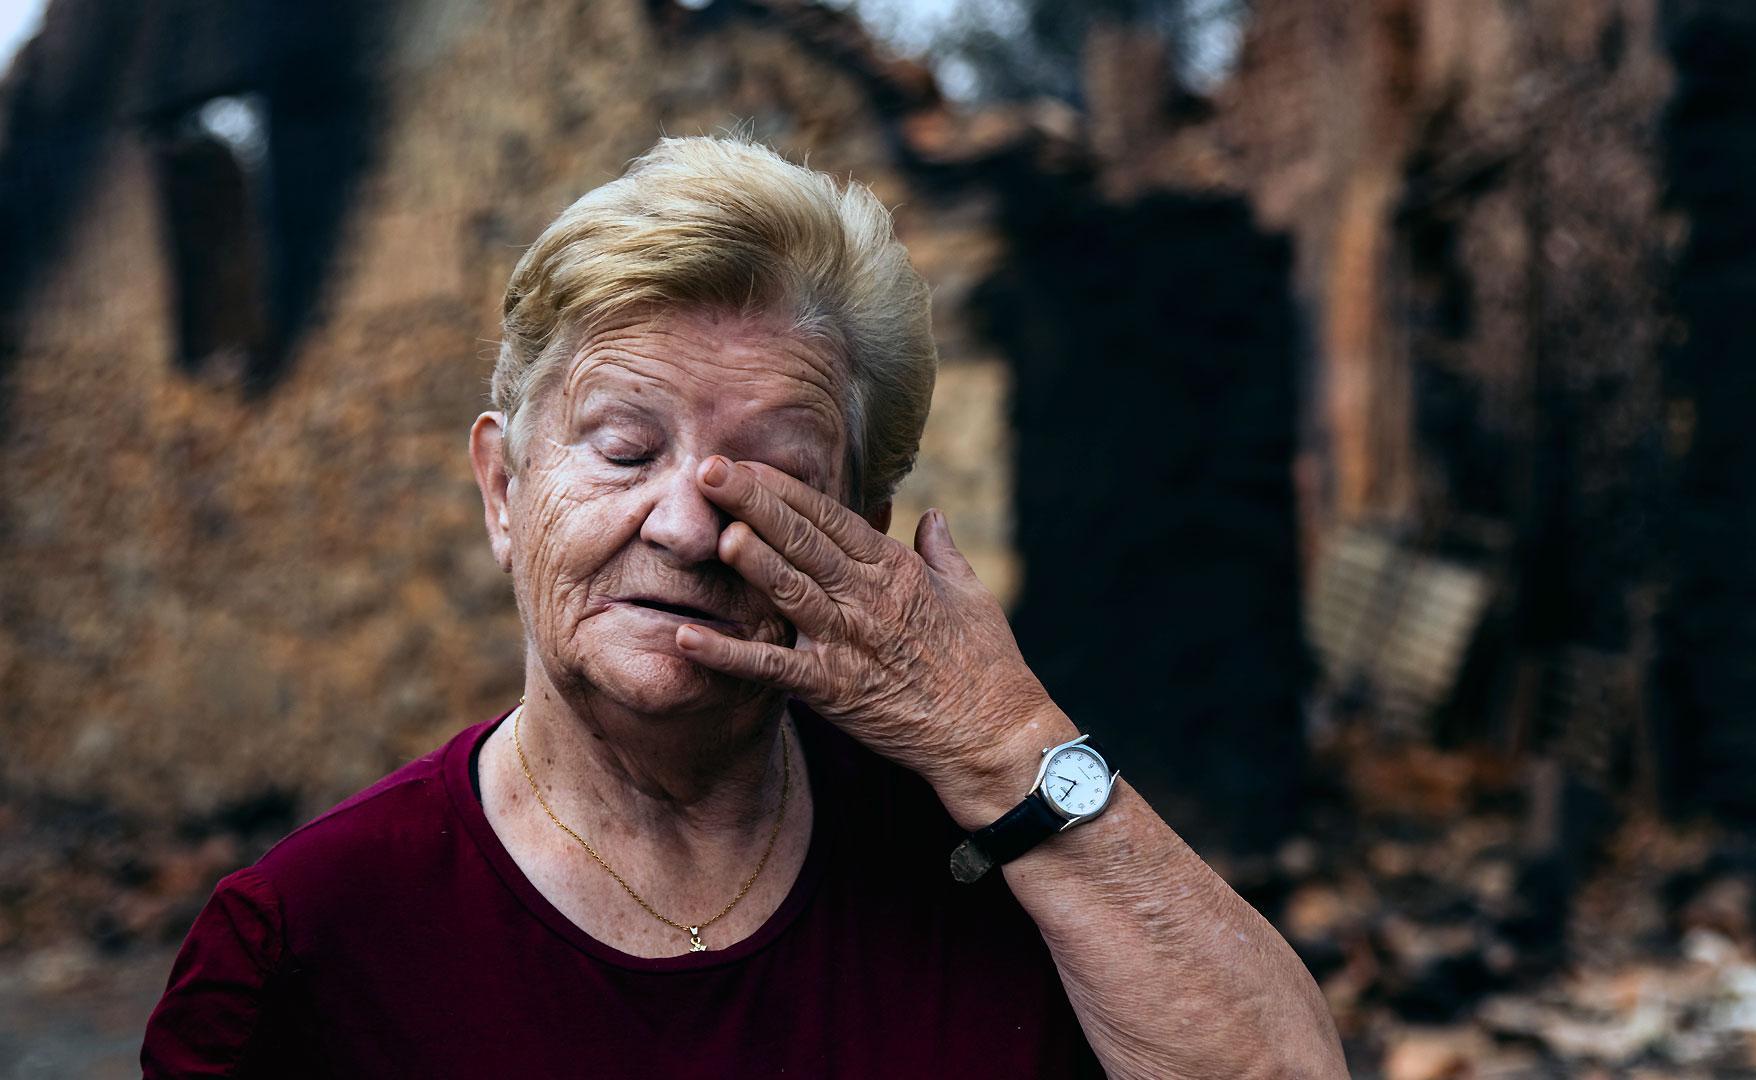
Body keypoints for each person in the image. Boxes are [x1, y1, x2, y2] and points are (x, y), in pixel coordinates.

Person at [142, 134, 1346, 1078]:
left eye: (769, 477)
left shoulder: (990, 849)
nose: (684, 525)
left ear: (859, 533)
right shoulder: (302, 946)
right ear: (504, 490)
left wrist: (1003, 739)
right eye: (621, 450)